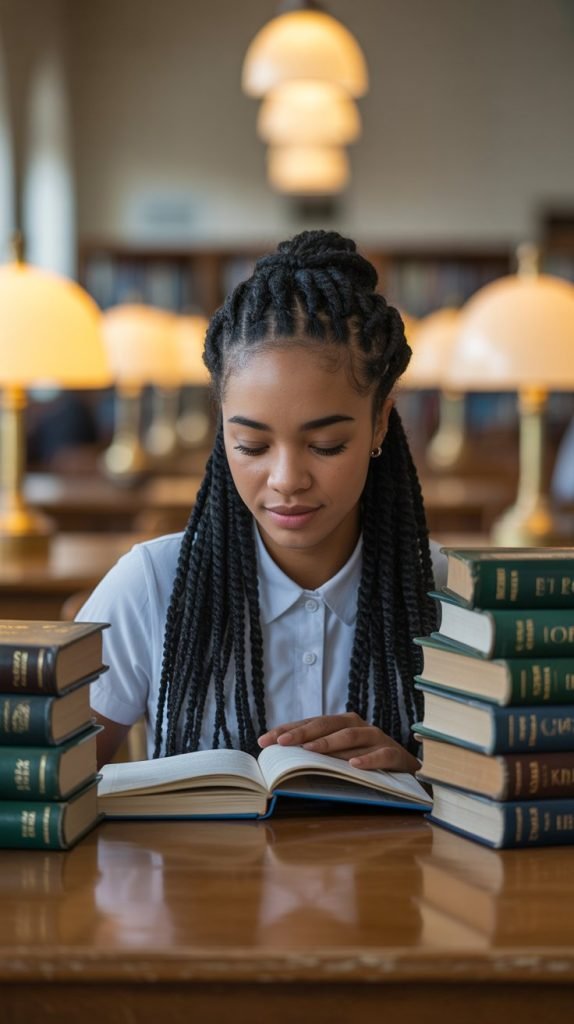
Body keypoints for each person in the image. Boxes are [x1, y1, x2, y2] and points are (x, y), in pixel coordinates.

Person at [81, 230, 446, 774]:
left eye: (326, 445)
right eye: (251, 445)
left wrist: (428, 783)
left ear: (380, 422)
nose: (286, 479)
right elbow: (37, 790)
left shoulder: (446, 597)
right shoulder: (152, 587)